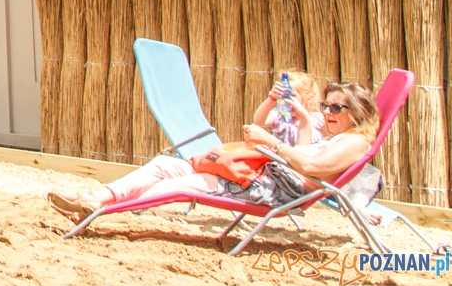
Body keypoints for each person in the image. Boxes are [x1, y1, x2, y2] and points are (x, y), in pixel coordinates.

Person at [47, 81, 380, 221]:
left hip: (270, 189)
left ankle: (98, 209)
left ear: (358, 115)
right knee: (165, 165)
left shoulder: (355, 142)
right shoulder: (337, 137)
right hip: (258, 174)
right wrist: (307, 121)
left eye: (337, 108)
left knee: (172, 188)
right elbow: (309, 153)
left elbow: (310, 166)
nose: (329, 112)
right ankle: (96, 198)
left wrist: (271, 142)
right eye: (328, 105)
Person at [253, 70, 322, 146]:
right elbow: (259, 121)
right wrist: (272, 98)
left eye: (291, 96)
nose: (286, 100)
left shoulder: (318, 119)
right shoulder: (280, 117)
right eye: (283, 96)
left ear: (308, 98)